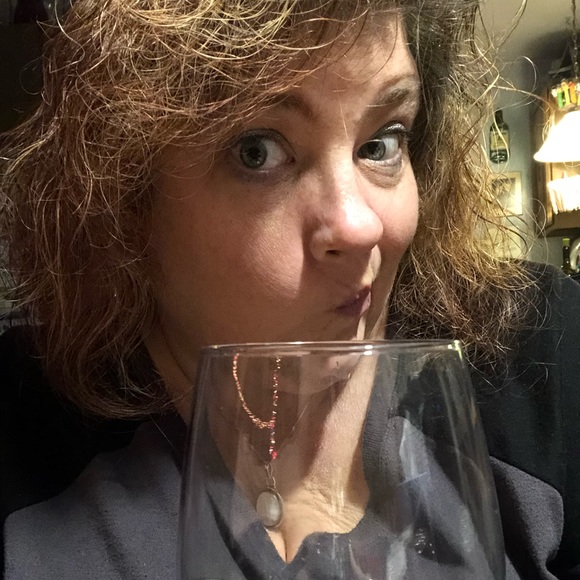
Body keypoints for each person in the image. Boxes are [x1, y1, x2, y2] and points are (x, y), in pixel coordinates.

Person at [0, 0, 579, 578]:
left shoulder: (538, 349)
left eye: (381, 143)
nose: (361, 226)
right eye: (257, 151)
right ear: (125, 199)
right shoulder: (25, 442)